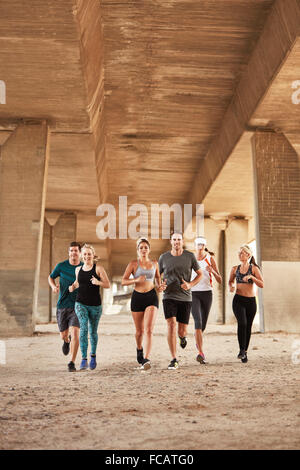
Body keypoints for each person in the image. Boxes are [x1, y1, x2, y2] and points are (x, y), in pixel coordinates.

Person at [158, 232, 203, 370]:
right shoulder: (163, 257)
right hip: (169, 296)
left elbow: (200, 274)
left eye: (179, 239)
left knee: (182, 330)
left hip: (185, 297)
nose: (176, 242)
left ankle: (182, 338)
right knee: (171, 325)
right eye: (174, 239)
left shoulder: (189, 256)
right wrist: (160, 285)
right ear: (171, 241)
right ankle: (174, 358)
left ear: (182, 241)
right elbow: (158, 276)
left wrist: (190, 284)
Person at [122, 237, 161, 370]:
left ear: (149, 249)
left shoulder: (155, 263)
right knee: (139, 331)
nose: (143, 249)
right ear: (138, 250)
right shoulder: (133, 263)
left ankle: (147, 358)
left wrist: (160, 287)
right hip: (137, 297)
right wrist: (136, 279)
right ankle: (139, 349)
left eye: (146, 247)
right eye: (141, 248)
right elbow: (123, 281)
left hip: (151, 297)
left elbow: (158, 280)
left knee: (149, 330)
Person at [69, 244, 110, 371]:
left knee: (92, 332)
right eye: (85, 254)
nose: (87, 256)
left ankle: (93, 356)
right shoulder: (78, 270)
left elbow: (107, 284)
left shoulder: (99, 269)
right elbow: (77, 282)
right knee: (83, 329)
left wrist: (98, 282)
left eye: (89, 254)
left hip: (95, 306)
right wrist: (73, 287)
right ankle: (83, 359)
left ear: (93, 255)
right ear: (81, 255)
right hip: (80, 303)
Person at [48, 242, 82, 372]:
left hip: (77, 306)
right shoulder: (61, 266)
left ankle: (72, 362)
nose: (73, 253)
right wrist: (53, 286)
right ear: (69, 253)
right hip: (62, 305)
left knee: (75, 332)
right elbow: (50, 277)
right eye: (71, 251)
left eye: (76, 251)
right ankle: (66, 341)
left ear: (79, 253)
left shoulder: (84, 267)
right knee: (64, 334)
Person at [228, 244, 264, 363]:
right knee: (242, 323)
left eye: (242, 253)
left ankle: (245, 352)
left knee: (248, 326)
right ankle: (241, 350)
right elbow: (230, 282)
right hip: (238, 300)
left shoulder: (254, 269)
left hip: (251, 302)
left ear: (248, 255)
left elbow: (262, 284)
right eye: (239, 252)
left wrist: (252, 278)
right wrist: (231, 287)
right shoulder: (235, 268)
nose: (239, 254)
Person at [191, 236, 222, 364]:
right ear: (195, 246)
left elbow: (220, 280)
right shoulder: (190, 259)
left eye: (202, 245)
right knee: (197, 322)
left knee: (202, 325)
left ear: (204, 246)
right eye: (198, 245)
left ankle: (197, 338)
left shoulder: (210, 259)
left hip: (207, 294)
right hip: (193, 294)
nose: (200, 247)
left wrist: (213, 271)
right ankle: (201, 353)